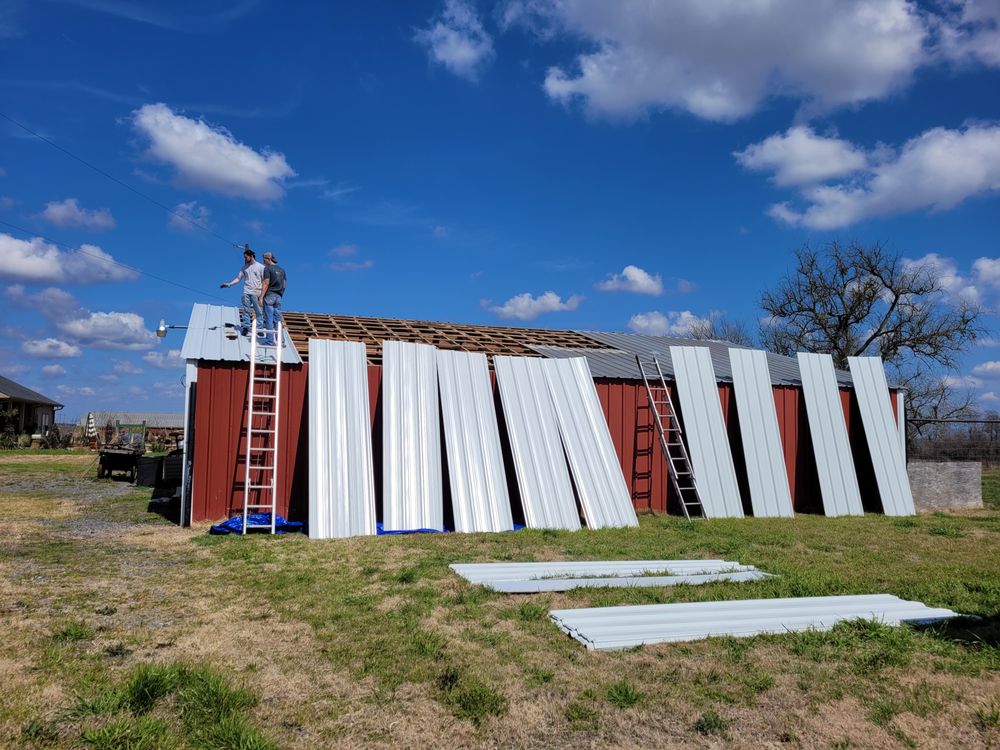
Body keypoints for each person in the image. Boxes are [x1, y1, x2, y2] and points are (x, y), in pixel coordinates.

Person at [221, 245, 265, 336]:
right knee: (246, 310)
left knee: (259, 311)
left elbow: (265, 281)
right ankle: (246, 327)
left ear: (251, 256)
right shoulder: (244, 268)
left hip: (257, 292)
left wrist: (263, 294)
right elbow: (238, 278)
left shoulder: (260, 267)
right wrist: (229, 284)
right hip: (246, 291)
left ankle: (259, 329)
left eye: (246, 257)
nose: (244, 259)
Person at [259, 251, 286, 346]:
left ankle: (270, 341)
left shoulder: (268, 269)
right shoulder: (282, 270)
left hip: (270, 295)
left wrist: (261, 297)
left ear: (268, 259)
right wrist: (280, 294)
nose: (263, 262)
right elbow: (284, 284)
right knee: (277, 320)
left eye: (264, 260)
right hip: (278, 296)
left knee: (269, 319)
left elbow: (266, 283)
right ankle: (281, 341)